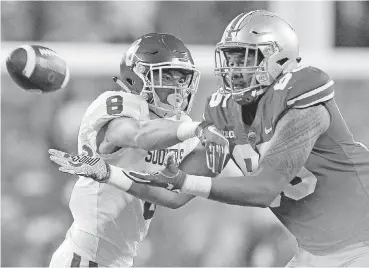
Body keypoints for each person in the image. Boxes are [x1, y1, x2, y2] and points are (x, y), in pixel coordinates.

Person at [51, 10, 369, 267]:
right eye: (230, 59)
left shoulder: (304, 99)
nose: (233, 69)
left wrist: (186, 179)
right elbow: (174, 192)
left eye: (244, 58)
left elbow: (263, 189)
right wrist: (111, 174)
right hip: (318, 250)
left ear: (279, 60)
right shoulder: (225, 113)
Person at [48, 32, 229, 267]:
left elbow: (174, 198)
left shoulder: (182, 128)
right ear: (137, 77)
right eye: (167, 76)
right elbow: (139, 135)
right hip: (86, 255)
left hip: (118, 259)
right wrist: (196, 129)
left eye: (182, 78)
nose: (177, 87)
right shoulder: (119, 104)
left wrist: (223, 145)